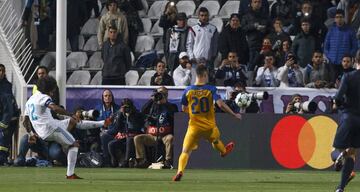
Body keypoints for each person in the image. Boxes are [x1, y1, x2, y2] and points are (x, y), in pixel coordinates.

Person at [24, 76, 110, 179]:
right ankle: (70, 174)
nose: (52, 93)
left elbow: (25, 121)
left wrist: (31, 134)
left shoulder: (29, 101)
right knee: (74, 144)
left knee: (73, 122)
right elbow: (55, 108)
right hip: (51, 129)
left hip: (45, 129)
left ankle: (102, 123)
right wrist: (71, 114)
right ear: (48, 89)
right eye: (52, 90)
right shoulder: (44, 97)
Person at [172, 65, 241, 181]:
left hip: (194, 128)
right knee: (215, 139)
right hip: (209, 127)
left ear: (196, 75)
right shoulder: (211, 89)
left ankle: (180, 171)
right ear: (204, 75)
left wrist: (194, 113)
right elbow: (220, 105)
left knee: (185, 151)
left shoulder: (188, 90)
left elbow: (184, 108)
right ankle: (223, 151)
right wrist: (234, 114)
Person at [331, 50, 360, 192]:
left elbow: (338, 97)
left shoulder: (348, 76)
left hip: (349, 117)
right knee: (352, 153)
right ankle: (340, 188)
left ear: (355, 60)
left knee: (336, 151)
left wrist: (339, 104)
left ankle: (339, 155)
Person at [134, 86, 178, 168]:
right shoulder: (152, 106)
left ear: (167, 95)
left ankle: (168, 161)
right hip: (152, 135)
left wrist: (165, 103)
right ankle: (142, 160)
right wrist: (152, 100)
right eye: (160, 93)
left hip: (165, 135)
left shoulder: (172, 106)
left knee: (170, 138)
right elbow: (142, 111)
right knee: (137, 138)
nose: (161, 95)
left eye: (164, 93)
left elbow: (174, 114)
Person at [108, 98, 144, 168]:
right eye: (124, 107)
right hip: (123, 136)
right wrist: (120, 115)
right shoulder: (120, 114)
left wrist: (130, 116)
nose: (126, 109)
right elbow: (117, 128)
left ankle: (126, 161)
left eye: (127, 107)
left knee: (129, 139)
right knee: (111, 144)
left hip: (134, 136)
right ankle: (114, 160)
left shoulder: (137, 114)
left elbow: (136, 128)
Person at [96, 89, 120, 166]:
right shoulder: (98, 108)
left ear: (112, 97)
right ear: (102, 98)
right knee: (102, 135)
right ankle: (104, 159)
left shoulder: (117, 108)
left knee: (104, 136)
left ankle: (107, 160)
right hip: (101, 131)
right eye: (105, 96)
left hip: (114, 132)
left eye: (109, 96)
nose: (108, 97)